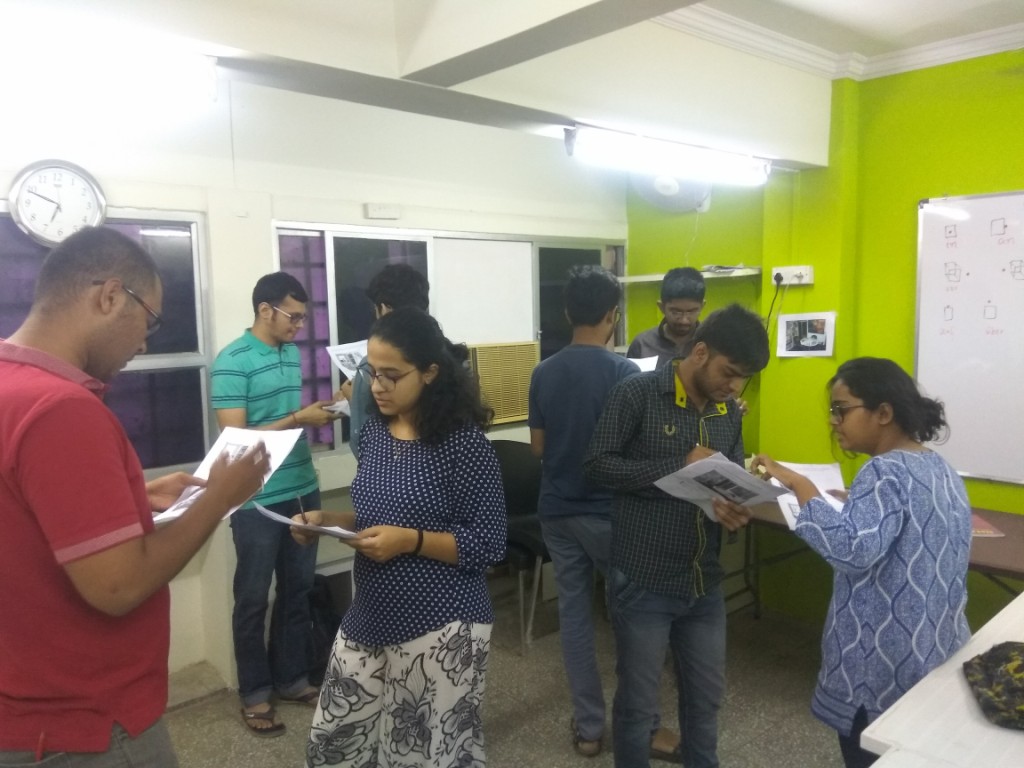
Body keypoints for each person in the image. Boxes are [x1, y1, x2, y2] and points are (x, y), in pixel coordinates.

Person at [0, 226, 268, 766]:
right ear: (109, 296)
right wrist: (218, 498)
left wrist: (131, 495)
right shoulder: (62, 409)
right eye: (148, 321)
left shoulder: (12, 383)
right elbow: (118, 586)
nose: (144, 343)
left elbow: (21, 510)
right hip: (83, 722)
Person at [291, 307, 507, 767]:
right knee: (335, 743)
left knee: (417, 754)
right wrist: (328, 519)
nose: (377, 386)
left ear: (430, 373)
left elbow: (489, 543)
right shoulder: (376, 433)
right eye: (372, 373)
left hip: (441, 623)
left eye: (392, 375)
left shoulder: (465, 445)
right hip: (370, 612)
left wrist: (409, 541)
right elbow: (379, 516)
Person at [751, 357, 971, 768]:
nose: (833, 420)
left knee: (869, 754)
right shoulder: (938, 466)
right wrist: (855, 503)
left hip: (881, 669)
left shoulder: (882, 471)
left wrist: (797, 483)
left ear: (883, 413)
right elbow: (910, 523)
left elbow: (851, 552)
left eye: (841, 409)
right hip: (934, 648)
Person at [584, 303, 770, 768]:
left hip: (703, 581)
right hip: (644, 578)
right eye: (730, 373)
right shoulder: (638, 393)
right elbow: (597, 466)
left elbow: (727, 476)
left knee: (705, 701)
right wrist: (676, 465)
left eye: (744, 378)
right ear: (700, 352)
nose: (735, 387)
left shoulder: (727, 414)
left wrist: (732, 506)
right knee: (638, 706)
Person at [528, 265, 680, 761]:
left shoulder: (543, 372)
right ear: (613, 315)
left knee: (575, 618)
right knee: (633, 621)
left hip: (557, 512)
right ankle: (645, 726)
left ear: (567, 312)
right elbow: (644, 450)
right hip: (613, 515)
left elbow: (538, 448)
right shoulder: (625, 373)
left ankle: (590, 728)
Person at [210, 272, 341, 736]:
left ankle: (291, 678)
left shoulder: (290, 355)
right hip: (255, 497)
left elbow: (288, 422)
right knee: (251, 598)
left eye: (304, 318)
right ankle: (255, 692)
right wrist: (298, 417)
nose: (299, 327)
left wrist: (332, 407)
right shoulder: (232, 361)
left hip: (302, 485)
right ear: (265, 310)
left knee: (297, 589)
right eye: (293, 317)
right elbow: (236, 438)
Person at [336, 263, 430, 458]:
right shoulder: (450, 356)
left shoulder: (369, 367)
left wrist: (355, 398)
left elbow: (364, 448)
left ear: (384, 308)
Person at [626, 267, 706, 369]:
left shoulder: (712, 344)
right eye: (676, 312)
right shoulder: (642, 345)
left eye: (691, 311)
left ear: (702, 306)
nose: (684, 320)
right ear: (661, 307)